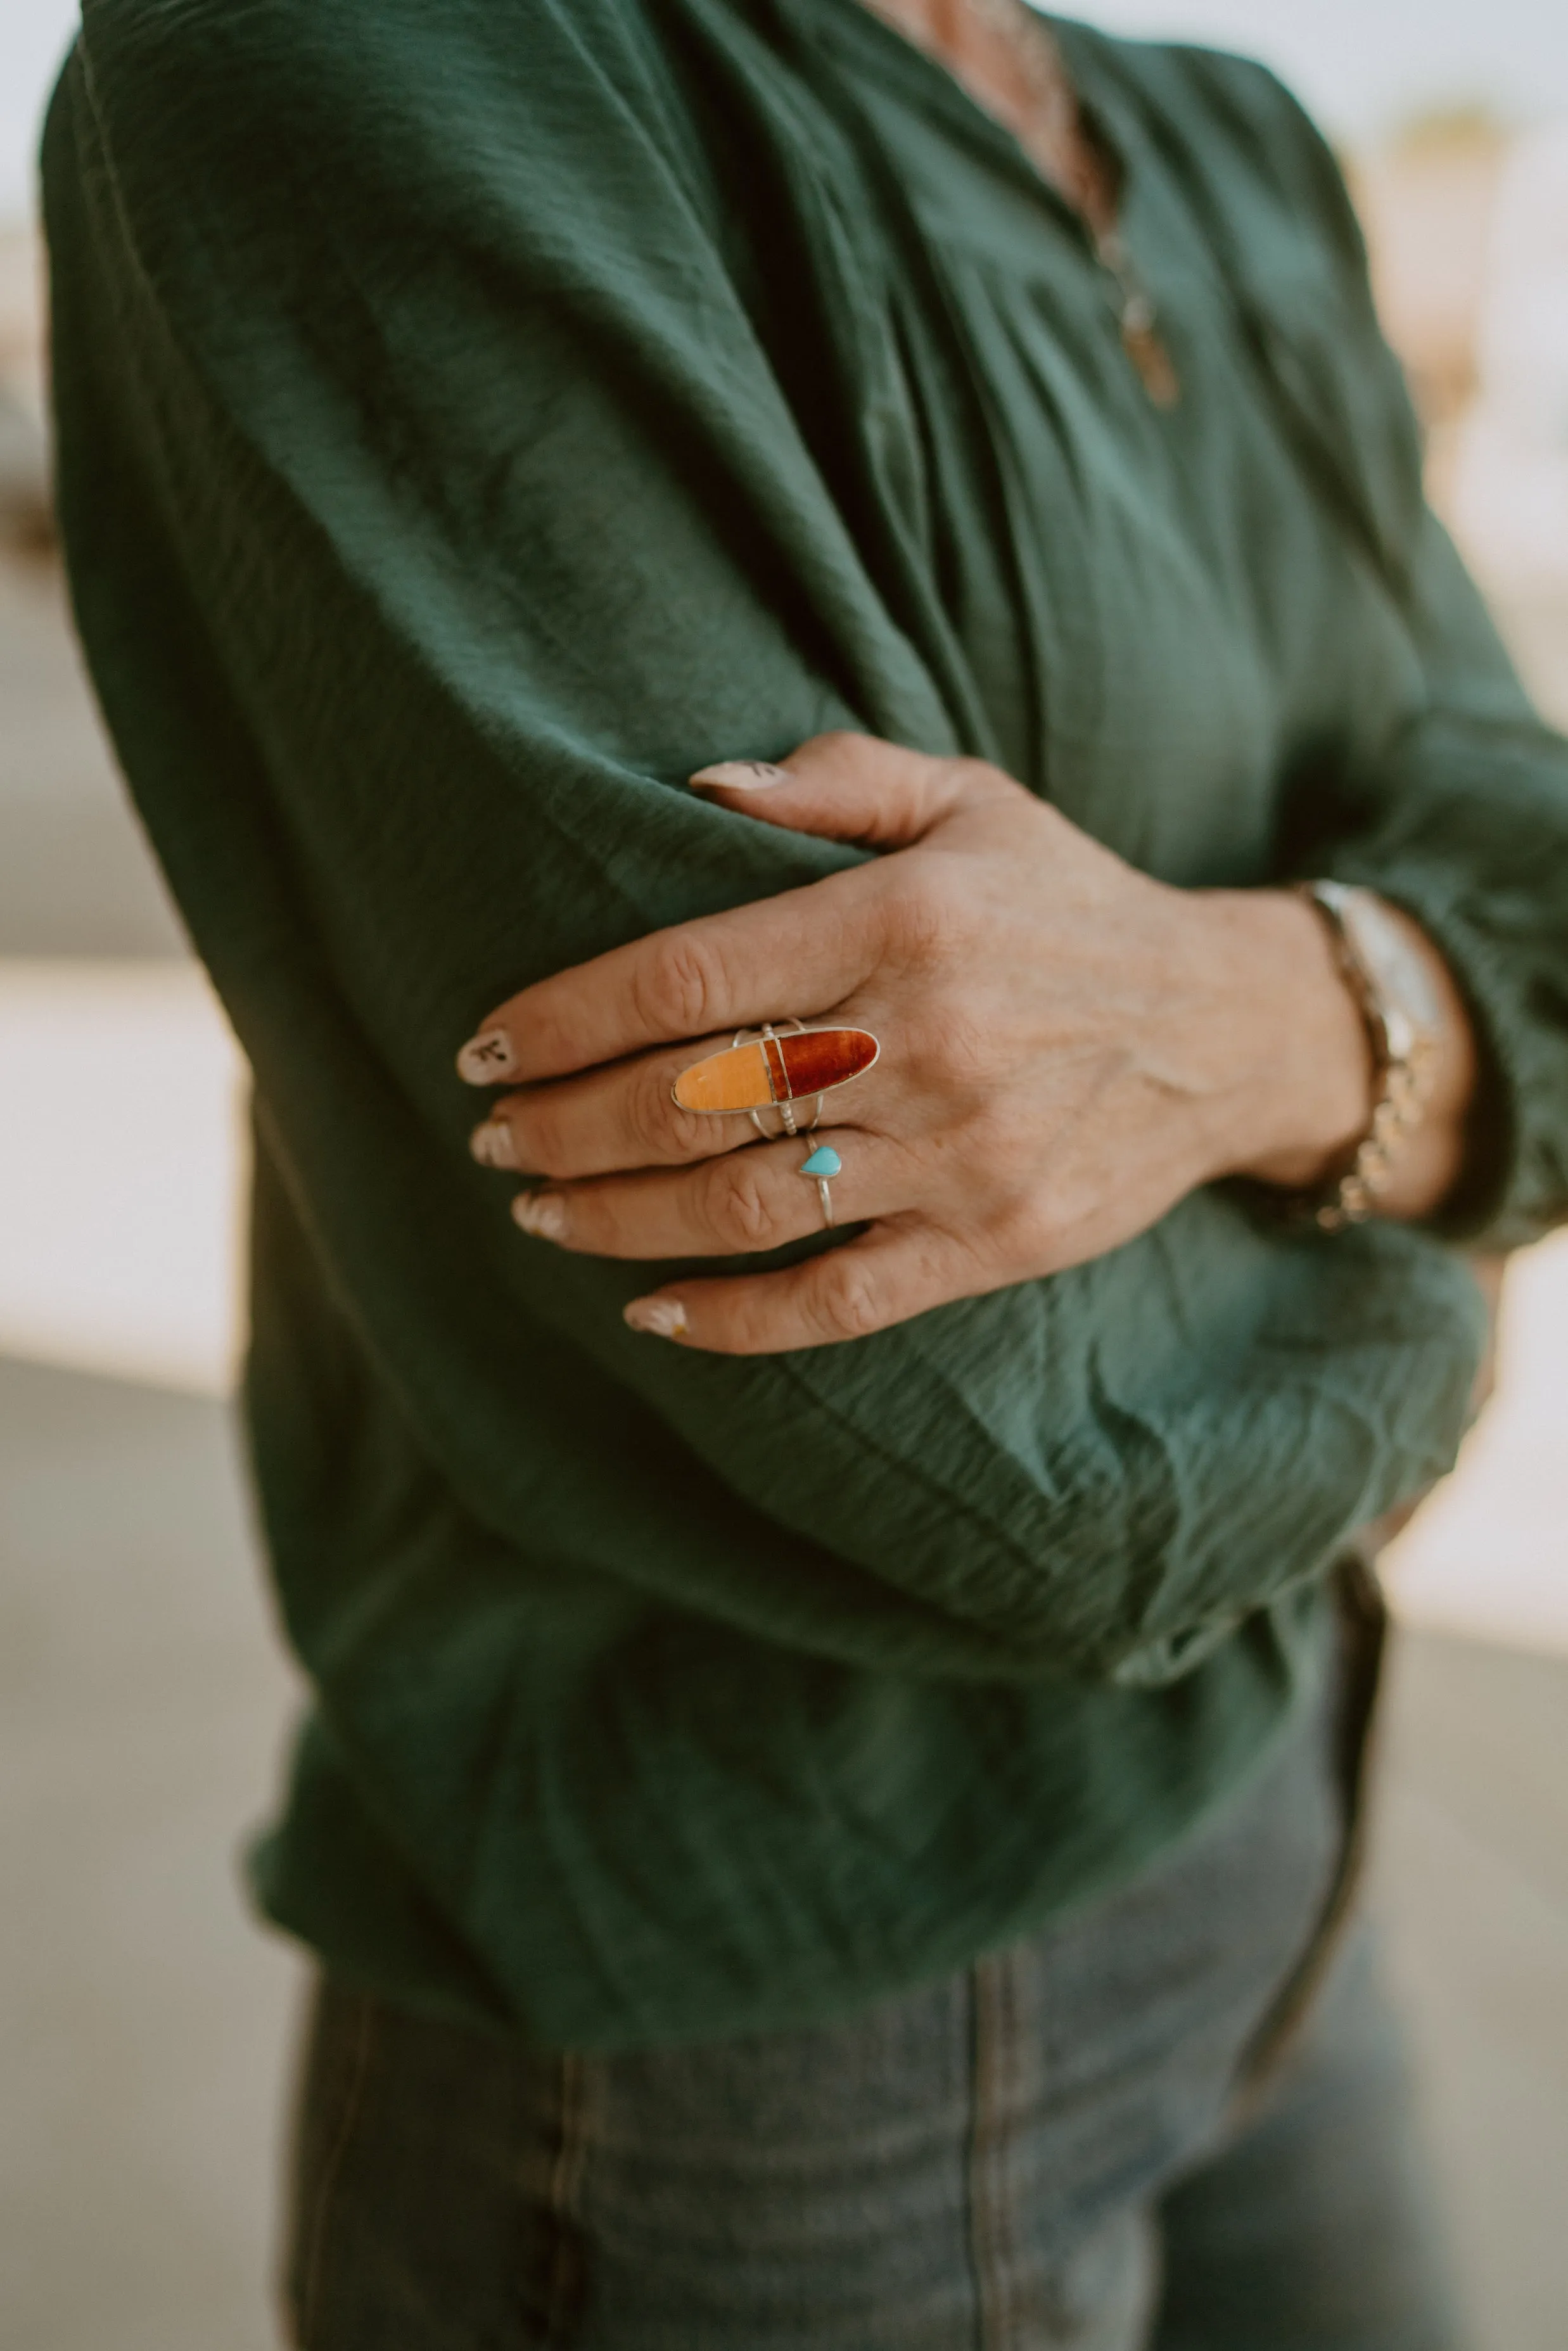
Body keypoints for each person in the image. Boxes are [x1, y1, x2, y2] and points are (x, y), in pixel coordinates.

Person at [41, 1, 1568, 2343]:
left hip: (1285, 1814)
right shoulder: (369, 54)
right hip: (770, 2046)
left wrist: (1257, 1021)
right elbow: (997, 1442)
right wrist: (1436, 1215)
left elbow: (1527, 849)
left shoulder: (1238, 143)